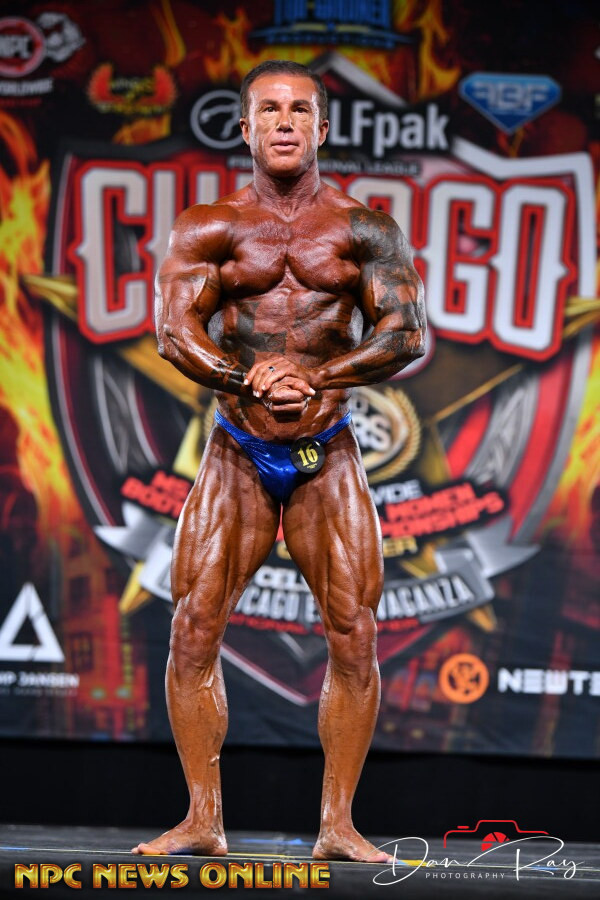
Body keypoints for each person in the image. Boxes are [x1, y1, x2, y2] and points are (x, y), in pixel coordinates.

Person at [132, 60, 425, 863]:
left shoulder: (365, 229)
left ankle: (338, 825)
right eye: (269, 110)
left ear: (322, 129)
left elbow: (405, 334)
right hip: (238, 447)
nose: (285, 121)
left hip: (326, 450)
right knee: (194, 626)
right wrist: (247, 377)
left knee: (354, 634)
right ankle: (202, 818)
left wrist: (318, 377)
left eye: (300, 109)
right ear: (246, 128)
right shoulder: (209, 226)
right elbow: (174, 332)